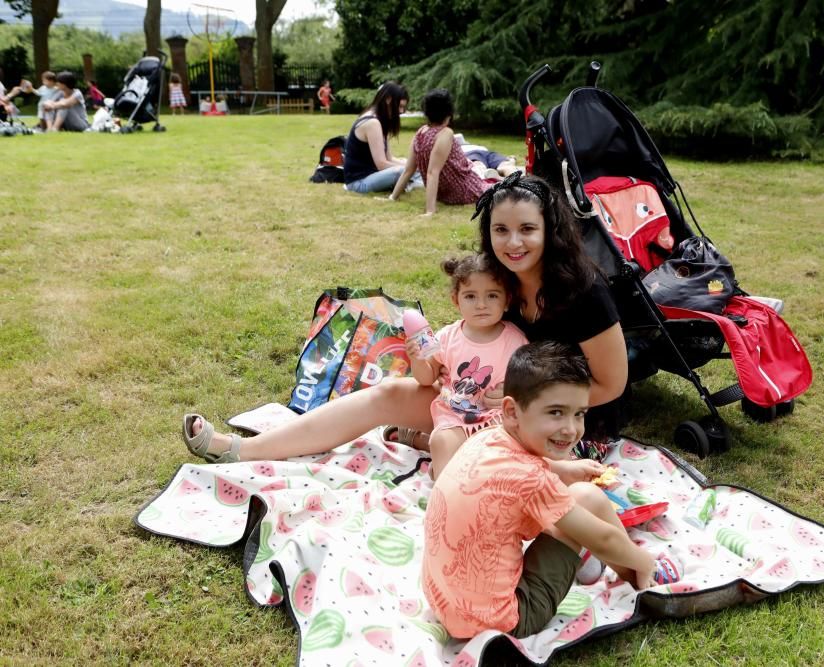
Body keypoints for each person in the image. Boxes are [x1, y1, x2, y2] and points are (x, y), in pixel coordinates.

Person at [180, 173, 627, 464]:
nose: (514, 243)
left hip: (561, 418)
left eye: (528, 229)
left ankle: (418, 443)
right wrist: (436, 362)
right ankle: (243, 450)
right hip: (479, 405)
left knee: (492, 460)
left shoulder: (583, 291)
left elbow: (611, 384)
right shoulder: (501, 285)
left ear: (550, 229)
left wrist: (524, 398)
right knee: (391, 391)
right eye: (500, 230)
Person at [422, 341, 682, 639]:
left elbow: (517, 464)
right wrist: (643, 559)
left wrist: (564, 468)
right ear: (511, 411)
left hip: (445, 603)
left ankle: (585, 561)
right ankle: (644, 575)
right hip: (506, 619)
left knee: (577, 499)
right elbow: (605, 537)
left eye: (579, 414)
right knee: (589, 498)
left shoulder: (486, 437)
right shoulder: (532, 479)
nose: (571, 429)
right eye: (556, 412)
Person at [407, 254, 528, 478]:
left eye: (492, 295)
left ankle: (460, 470)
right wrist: (417, 359)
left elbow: (529, 384)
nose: (481, 305)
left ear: (507, 299)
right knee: (442, 441)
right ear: (456, 300)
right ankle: (447, 493)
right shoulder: (447, 337)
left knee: (506, 454)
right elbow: (426, 379)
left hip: (496, 420)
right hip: (455, 417)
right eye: (470, 296)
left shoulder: (515, 341)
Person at [387, 88, 515, 215]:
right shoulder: (445, 133)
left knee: (485, 173)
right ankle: (502, 173)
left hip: (444, 194)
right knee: (505, 187)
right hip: (464, 190)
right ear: (448, 112)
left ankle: (495, 176)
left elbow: (409, 170)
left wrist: (393, 197)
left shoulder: (420, 133)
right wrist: (430, 210)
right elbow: (432, 172)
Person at [343, 82, 418, 194]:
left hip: (372, 176)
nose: (401, 111)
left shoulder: (380, 120)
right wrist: (410, 169)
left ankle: (415, 180)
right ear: (388, 99)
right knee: (402, 170)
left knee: (408, 163)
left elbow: (389, 158)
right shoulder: (372, 122)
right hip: (358, 183)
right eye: (400, 106)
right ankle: (414, 181)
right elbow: (382, 164)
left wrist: (413, 166)